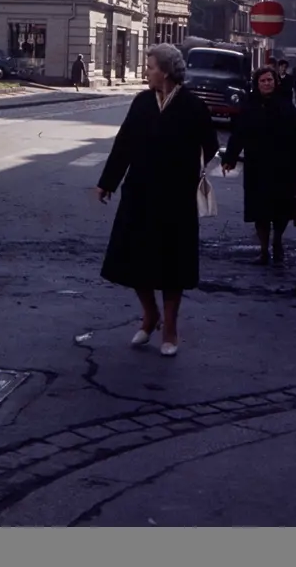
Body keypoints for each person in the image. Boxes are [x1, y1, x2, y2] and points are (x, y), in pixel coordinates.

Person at [96, 43, 219, 357]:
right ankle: (150, 314)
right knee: (133, 258)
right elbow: (123, 144)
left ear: (165, 71)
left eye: (150, 67)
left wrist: (192, 167)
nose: (147, 71)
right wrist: (107, 183)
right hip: (139, 192)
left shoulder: (192, 106)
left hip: (176, 197)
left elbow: (211, 145)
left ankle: (170, 328)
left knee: (172, 264)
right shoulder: (141, 102)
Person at [221, 64, 296, 265]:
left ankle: (277, 241)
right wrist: (230, 158)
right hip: (257, 166)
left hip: (283, 166)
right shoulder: (249, 107)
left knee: (281, 209)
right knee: (260, 211)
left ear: (275, 82)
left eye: (270, 80)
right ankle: (263, 249)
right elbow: (239, 134)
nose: (267, 83)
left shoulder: (287, 106)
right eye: (263, 80)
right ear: (257, 84)